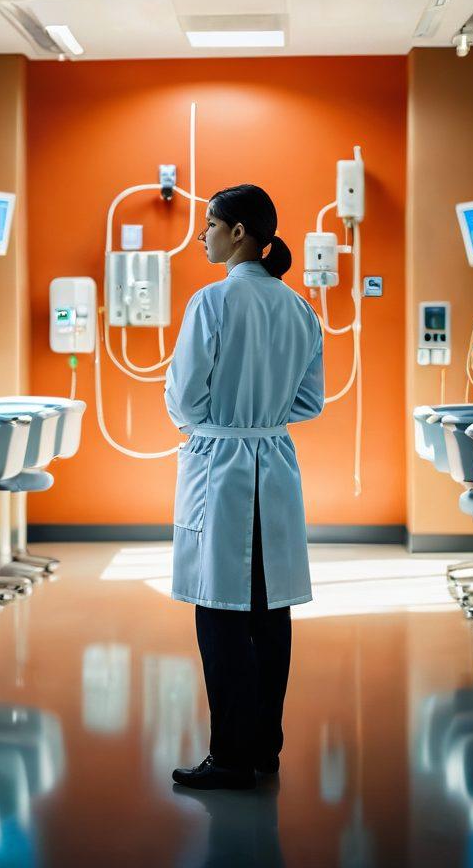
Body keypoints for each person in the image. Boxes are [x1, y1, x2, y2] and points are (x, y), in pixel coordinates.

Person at [164, 184, 325, 791]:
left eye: (210, 224)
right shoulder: (299, 308)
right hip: (274, 463)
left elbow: (183, 397)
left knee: (221, 615)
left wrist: (213, 425)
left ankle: (230, 757)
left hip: (222, 466)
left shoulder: (211, 302)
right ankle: (264, 749)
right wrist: (265, 418)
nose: (201, 234)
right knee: (269, 611)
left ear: (239, 233)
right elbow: (310, 401)